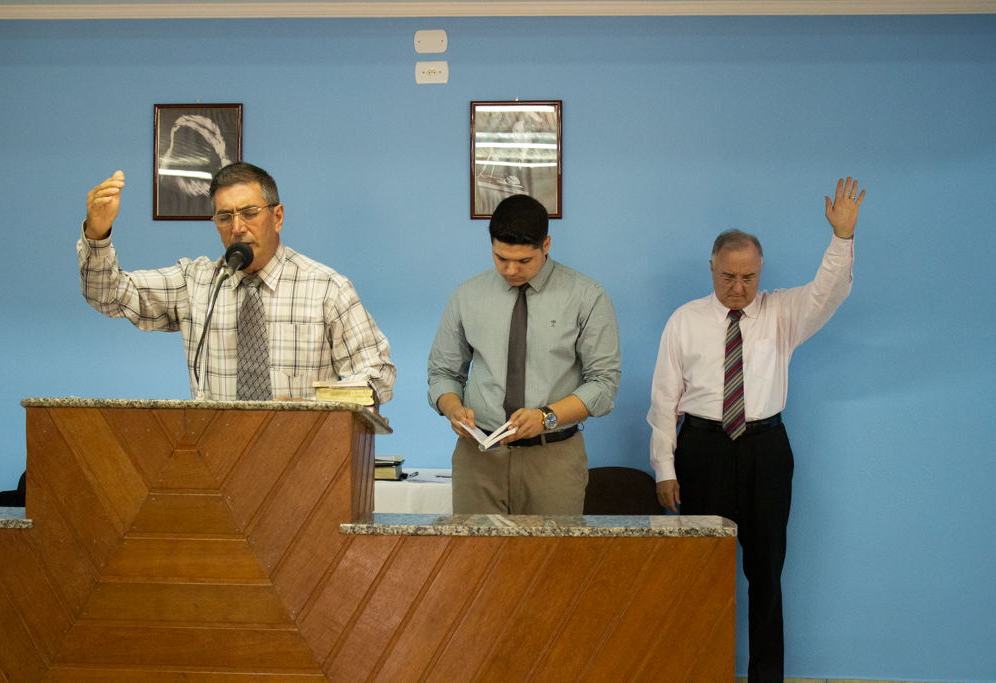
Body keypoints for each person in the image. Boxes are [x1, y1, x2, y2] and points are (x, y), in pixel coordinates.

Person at [647, 177, 865, 683]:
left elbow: (829, 291)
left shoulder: (783, 312)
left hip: (766, 449)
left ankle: (766, 678)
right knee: (701, 572)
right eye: (729, 276)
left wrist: (842, 238)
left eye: (748, 277)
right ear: (712, 268)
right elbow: (663, 400)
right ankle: (701, 672)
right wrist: (664, 467)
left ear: (760, 271)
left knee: (766, 575)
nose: (739, 287)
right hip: (702, 449)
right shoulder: (684, 321)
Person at [79, 162, 396, 402]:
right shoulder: (196, 283)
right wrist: (97, 233)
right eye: (225, 217)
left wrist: (314, 407)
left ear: (277, 217)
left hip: (305, 455)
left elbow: (377, 374)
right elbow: (107, 294)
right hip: (218, 457)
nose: (237, 227)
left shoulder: (326, 289)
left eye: (249, 213)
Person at [427, 194, 621, 515]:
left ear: (546, 245)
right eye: (501, 258)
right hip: (478, 459)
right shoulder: (467, 295)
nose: (511, 269)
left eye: (524, 260)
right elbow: (443, 372)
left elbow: (603, 384)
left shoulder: (587, 297)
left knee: (551, 549)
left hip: (553, 459)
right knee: (474, 549)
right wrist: (453, 409)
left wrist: (546, 417)